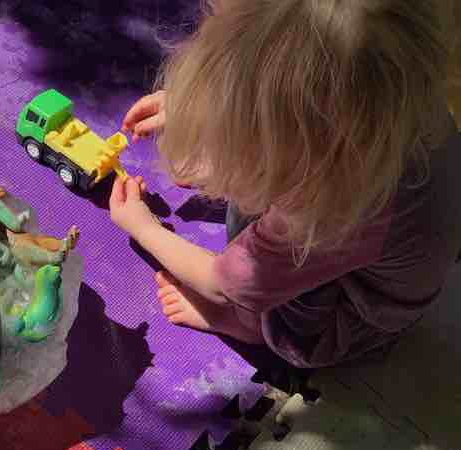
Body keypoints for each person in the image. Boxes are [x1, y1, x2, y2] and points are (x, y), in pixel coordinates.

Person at [109, 0, 461, 368]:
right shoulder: (398, 93)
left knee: (244, 226)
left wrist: (142, 226)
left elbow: (219, 282)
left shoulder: (330, 214)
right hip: (392, 257)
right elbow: (280, 82)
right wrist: (205, 110)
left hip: (354, 318)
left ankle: (248, 327)